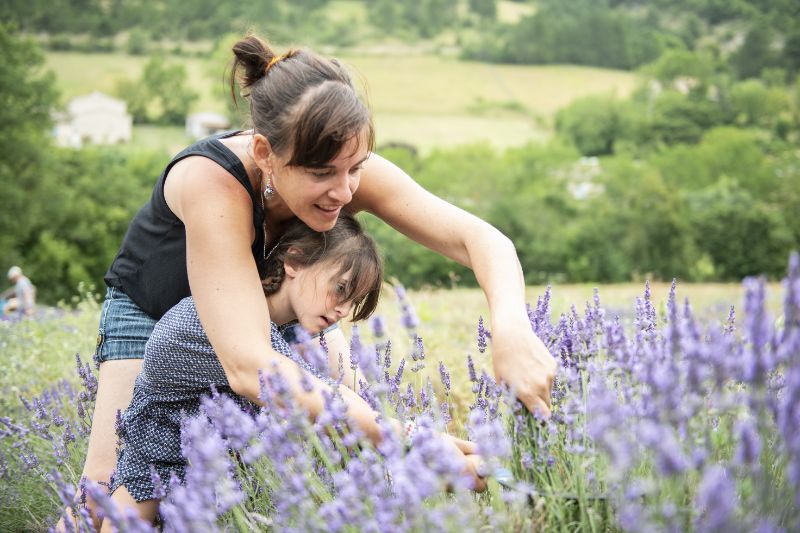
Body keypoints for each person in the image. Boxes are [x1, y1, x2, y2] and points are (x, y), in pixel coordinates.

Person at [61, 33, 554, 529]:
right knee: (103, 498)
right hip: (156, 315)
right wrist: (400, 435)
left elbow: (480, 240)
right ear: (265, 151)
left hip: (276, 310)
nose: (343, 191)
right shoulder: (210, 182)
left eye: (355, 168)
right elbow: (253, 368)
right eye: (322, 173)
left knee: (352, 424)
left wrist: (511, 327)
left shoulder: (338, 164)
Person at [102, 214, 479, 528]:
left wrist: (447, 448)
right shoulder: (225, 320)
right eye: (340, 288)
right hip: (153, 466)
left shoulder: (285, 331)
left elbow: (343, 397)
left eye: (353, 301)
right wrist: (418, 443)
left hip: (221, 476)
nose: (343, 311)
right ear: (294, 261)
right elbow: (331, 405)